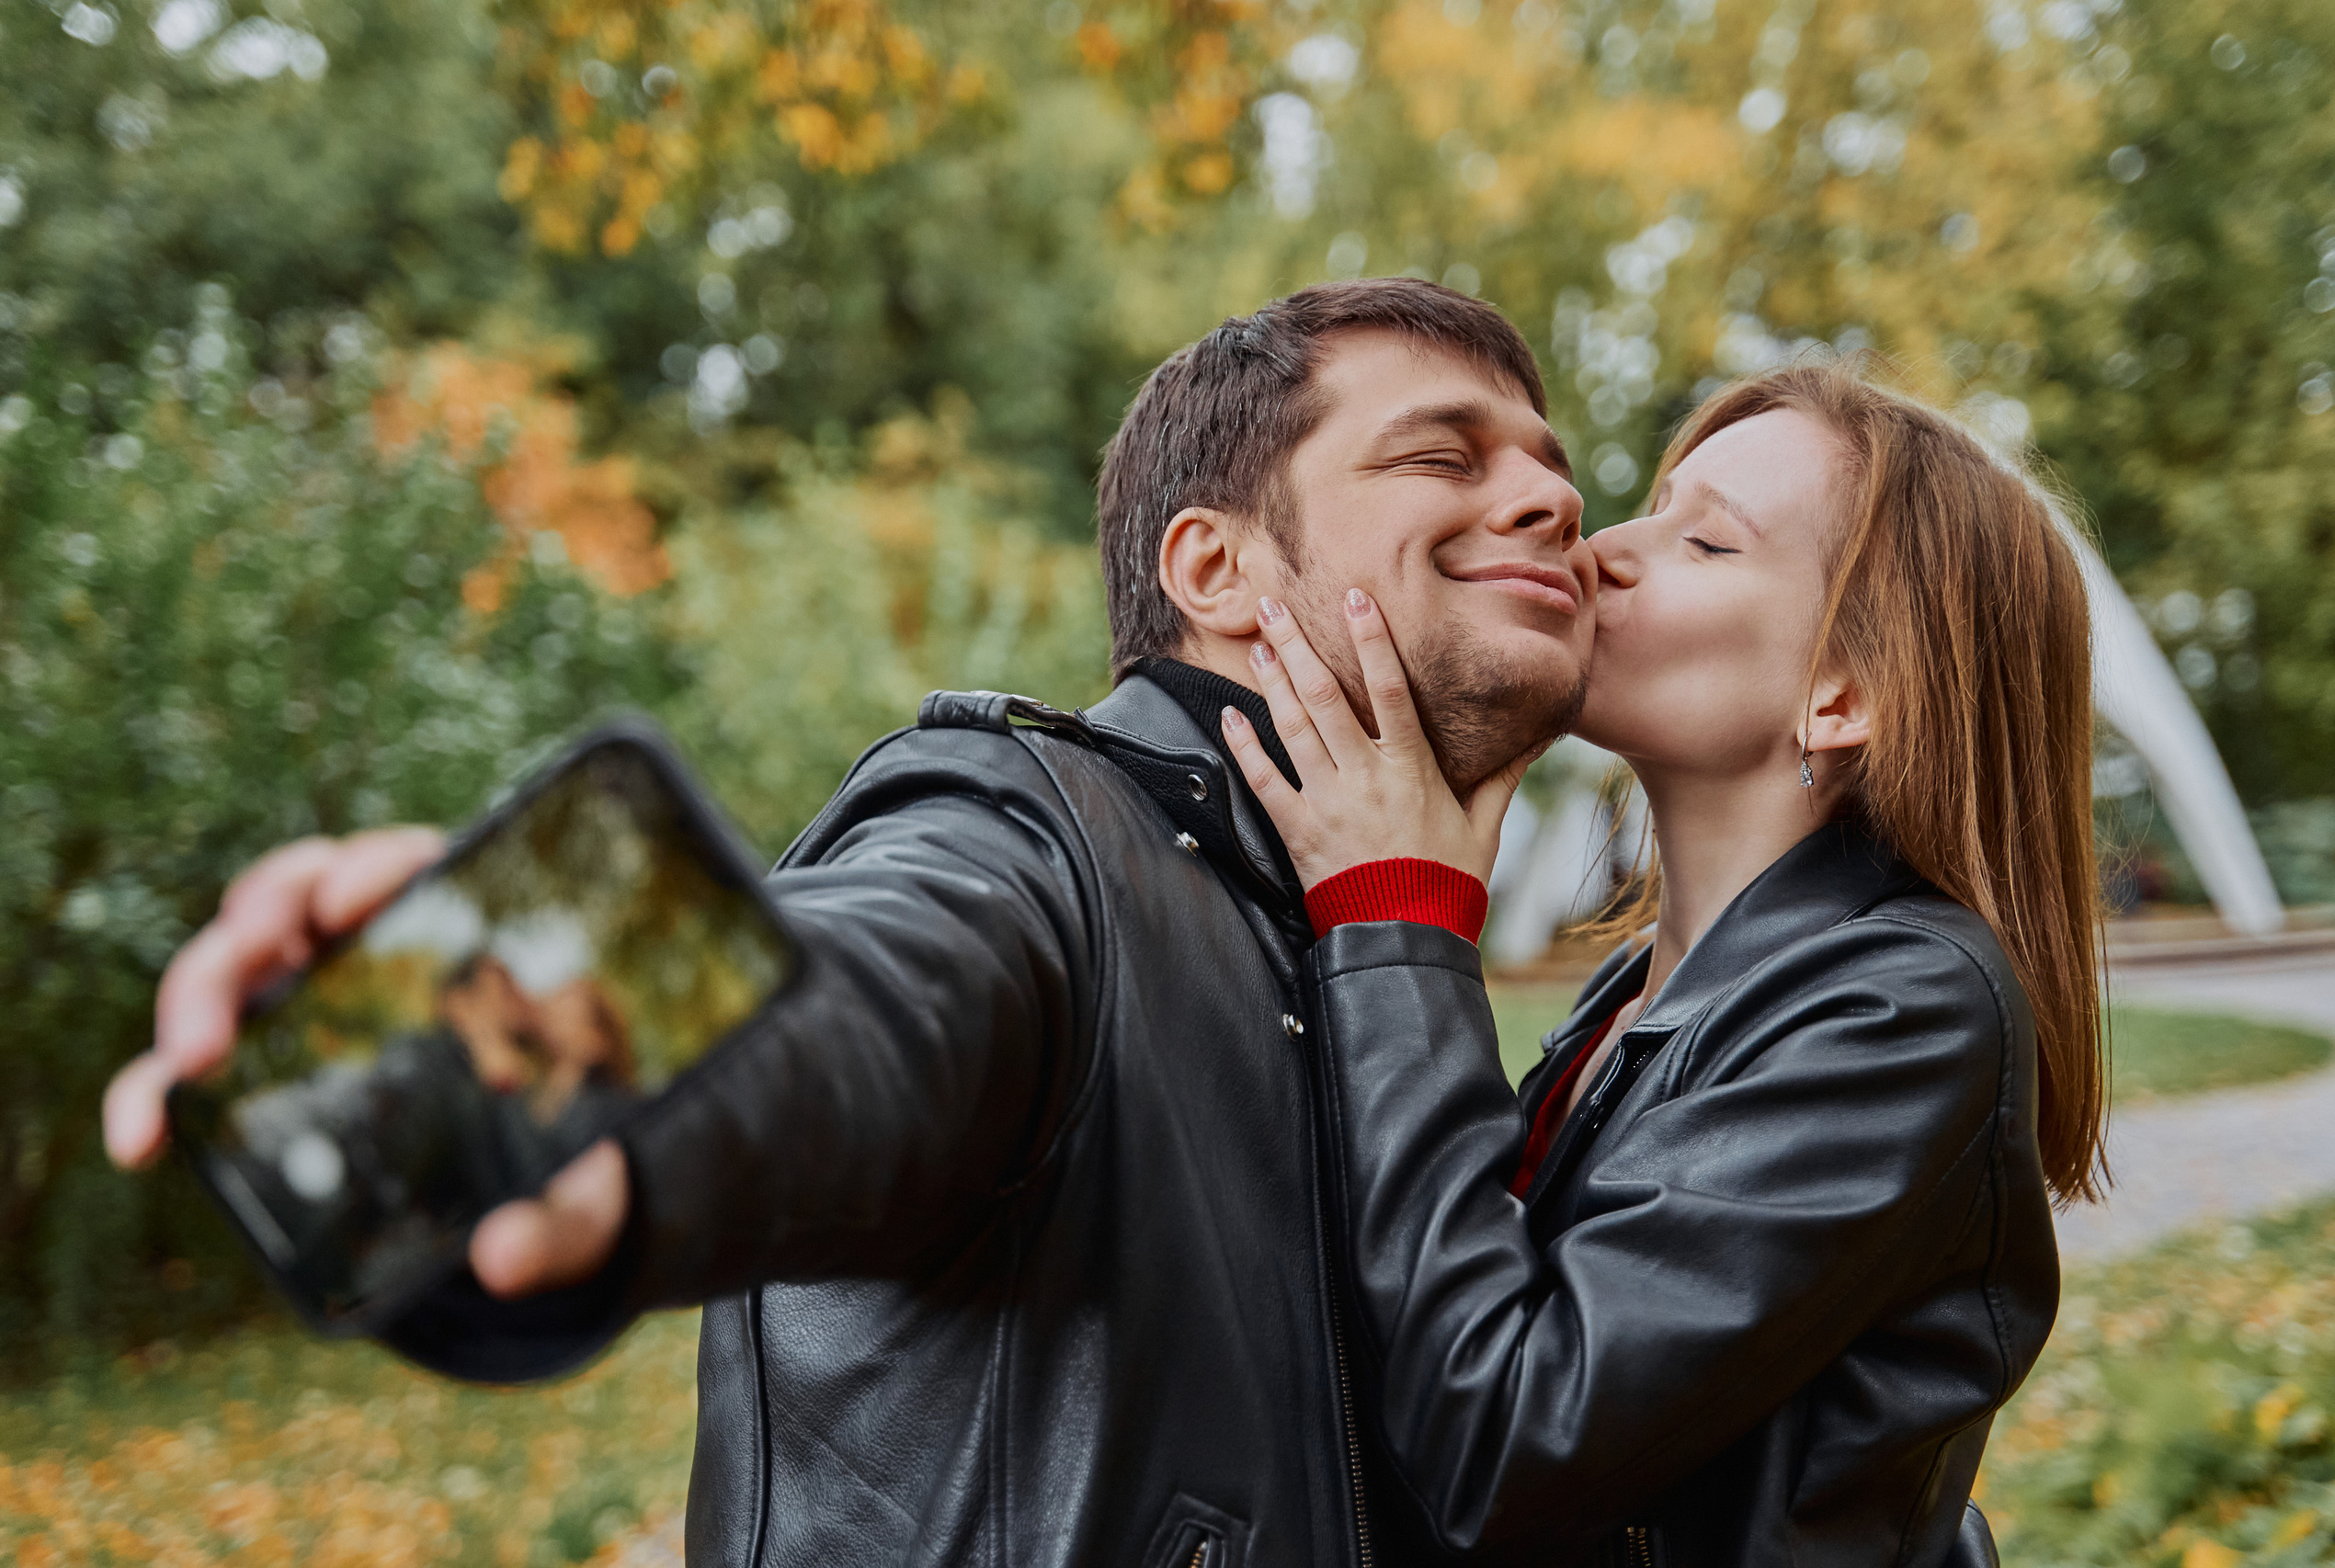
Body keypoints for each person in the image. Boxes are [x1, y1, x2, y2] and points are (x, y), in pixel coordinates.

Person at [102, 279, 1595, 1563]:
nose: (1550, 498)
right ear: (1212, 568)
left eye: (1549, 463)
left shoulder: (1377, 940)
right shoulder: (1037, 838)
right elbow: (878, 990)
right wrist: (611, 1111)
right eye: (1440, 455)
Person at [1222, 360, 2099, 1565]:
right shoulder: (1640, 993)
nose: (1604, 548)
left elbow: (1506, 1443)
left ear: (1844, 694)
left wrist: (1402, 924)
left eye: (1706, 542)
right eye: (1648, 504)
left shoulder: (1904, 1007)